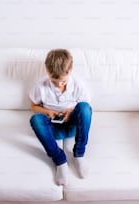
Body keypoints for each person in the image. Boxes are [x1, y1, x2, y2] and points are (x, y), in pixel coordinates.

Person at [29, 49, 92, 186]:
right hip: (54, 129)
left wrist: (71, 112)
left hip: (73, 126)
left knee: (85, 108)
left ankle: (79, 154)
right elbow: (33, 106)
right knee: (35, 119)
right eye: (54, 81)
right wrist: (48, 112)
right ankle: (60, 160)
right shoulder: (41, 85)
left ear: (70, 70)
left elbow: (84, 107)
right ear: (47, 71)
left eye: (62, 81)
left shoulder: (78, 84)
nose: (59, 84)